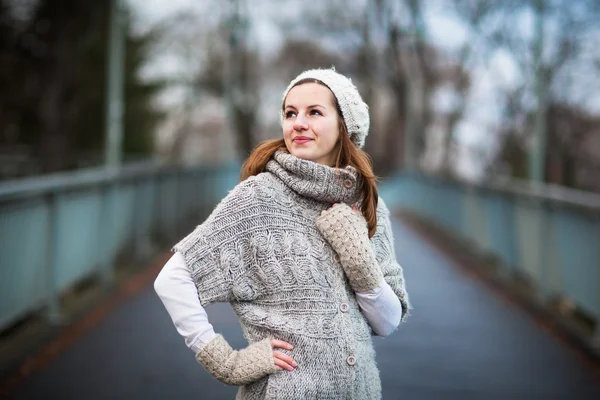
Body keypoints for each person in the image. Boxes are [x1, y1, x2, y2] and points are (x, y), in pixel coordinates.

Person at [154, 67, 411, 399]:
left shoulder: (365, 204)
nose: (298, 123)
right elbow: (172, 279)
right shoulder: (259, 199)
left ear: (344, 125)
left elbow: (387, 323)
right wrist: (225, 361)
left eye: (314, 112)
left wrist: (359, 260)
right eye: (290, 113)